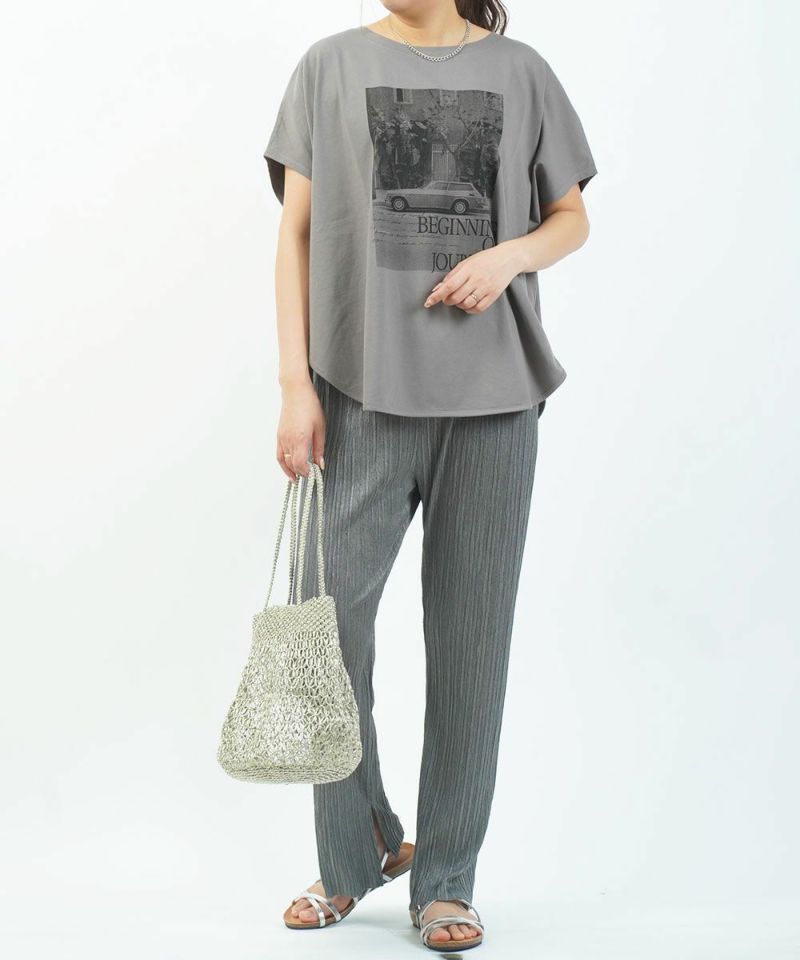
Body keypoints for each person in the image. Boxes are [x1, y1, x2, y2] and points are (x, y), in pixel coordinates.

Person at [263, 0, 596, 950]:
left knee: (469, 650)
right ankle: (357, 846)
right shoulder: (327, 66)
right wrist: (295, 385)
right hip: (358, 394)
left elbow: (571, 218)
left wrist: (509, 257)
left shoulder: (521, 71)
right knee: (326, 626)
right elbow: (295, 235)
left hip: (492, 403)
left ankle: (446, 882)